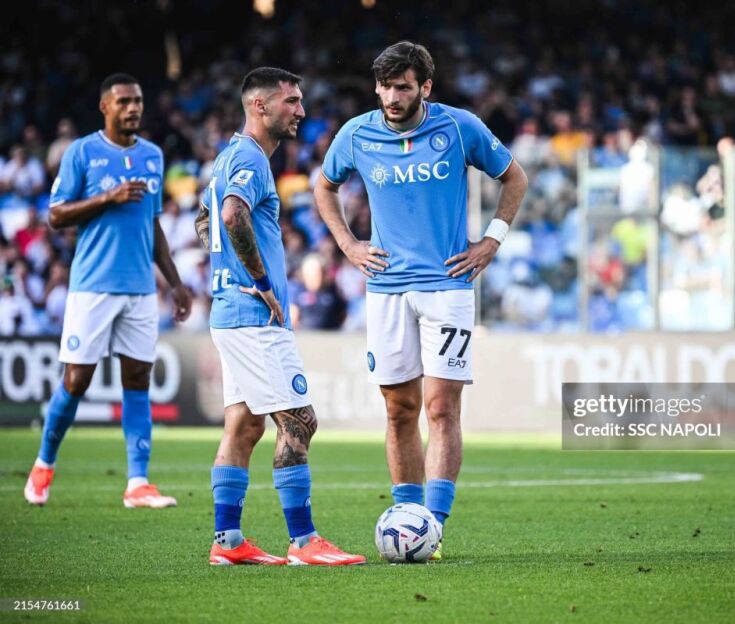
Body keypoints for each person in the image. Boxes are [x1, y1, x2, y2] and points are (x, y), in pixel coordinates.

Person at [314, 41, 528, 560]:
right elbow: (325, 188)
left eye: (403, 87)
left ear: (425, 87)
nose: (392, 97)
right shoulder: (356, 134)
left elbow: (514, 178)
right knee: (398, 410)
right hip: (386, 288)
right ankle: (406, 516)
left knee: (441, 407)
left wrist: (492, 240)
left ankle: (432, 527)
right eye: (384, 87)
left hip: (448, 286)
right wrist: (348, 245)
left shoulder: (459, 127)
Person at [196, 67, 364, 566]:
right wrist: (261, 281)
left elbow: (206, 221)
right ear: (260, 105)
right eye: (291, 101)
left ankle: (228, 542)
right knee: (299, 421)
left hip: (228, 309)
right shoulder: (249, 157)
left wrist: (226, 268)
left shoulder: (228, 156)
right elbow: (230, 215)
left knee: (244, 425)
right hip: (253, 315)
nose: (301, 111)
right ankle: (304, 540)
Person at [24, 73, 192, 508]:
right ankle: (44, 464)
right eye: (124, 102)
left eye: (138, 101)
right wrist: (108, 198)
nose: (133, 108)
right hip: (92, 286)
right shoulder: (82, 152)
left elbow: (153, 225)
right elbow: (56, 215)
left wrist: (175, 283)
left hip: (140, 288)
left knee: (137, 380)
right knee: (77, 380)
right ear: (105, 107)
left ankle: (138, 483)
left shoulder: (153, 155)